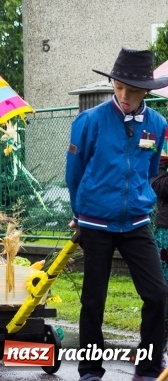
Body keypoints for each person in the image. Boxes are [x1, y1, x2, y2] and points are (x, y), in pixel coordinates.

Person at [66, 47, 168, 381]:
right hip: (95, 222)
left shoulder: (157, 124)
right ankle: (90, 370)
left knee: (157, 293)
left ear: (146, 91)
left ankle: (149, 368)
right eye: (119, 86)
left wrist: (141, 198)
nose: (124, 95)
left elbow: (150, 171)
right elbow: (74, 172)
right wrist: (79, 212)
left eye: (133, 90)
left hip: (136, 222)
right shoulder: (89, 121)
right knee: (93, 300)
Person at [150, 151, 168, 369]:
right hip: (166, 231)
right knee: (163, 290)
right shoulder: (160, 151)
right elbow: (159, 186)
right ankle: (157, 349)